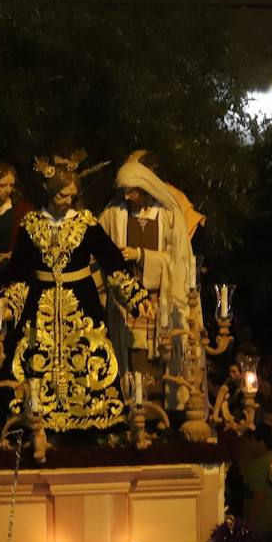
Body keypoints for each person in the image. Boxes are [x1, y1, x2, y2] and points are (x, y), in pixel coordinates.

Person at [0, 151, 149, 431]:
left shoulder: (85, 223)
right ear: (49, 192)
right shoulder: (31, 225)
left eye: (71, 196)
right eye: (62, 196)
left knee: (89, 358)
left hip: (82, 304)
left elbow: (112, 261)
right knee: (33, 362)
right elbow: (18, 272)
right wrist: (10, 304)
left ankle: (95, 421)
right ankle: (35, 420)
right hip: (39, 307)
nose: (67, 202)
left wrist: (136, 296)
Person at [98, 156, 194, 391]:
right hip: (126, 303)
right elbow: (96, 248)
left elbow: (179, 263)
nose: (128, 197)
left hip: (158, 301)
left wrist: (141, 255)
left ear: (146, 189)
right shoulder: (113, 213)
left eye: (133, 192)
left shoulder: (169, 216)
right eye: (125, 192)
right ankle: (133, 409)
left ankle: (154, 414)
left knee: (159, 361)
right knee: (131, 357)